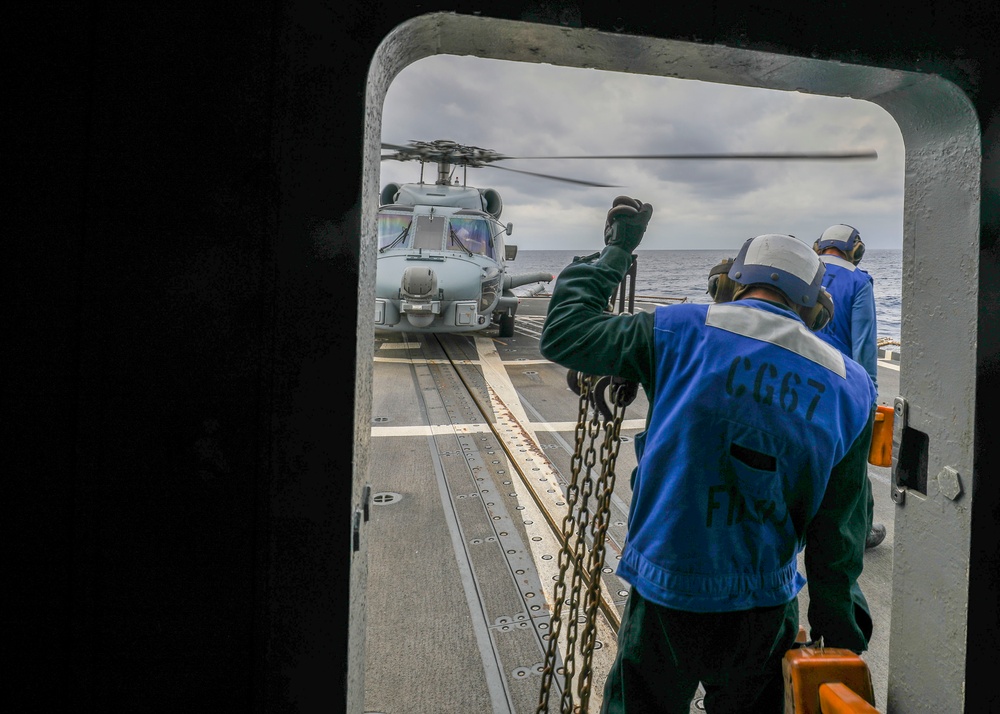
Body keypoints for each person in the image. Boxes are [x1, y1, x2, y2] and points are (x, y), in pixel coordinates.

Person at [540, 197, 876, 714]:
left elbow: (566, 332)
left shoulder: (678, 331)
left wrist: (616, 251)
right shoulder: (852, 387)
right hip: (766, 606)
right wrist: (839, 631)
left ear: (730, 284)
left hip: (666, 595)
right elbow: (840, 531)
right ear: (816, 308)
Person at [813, 224, 886, 549]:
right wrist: (869, 395)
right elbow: (865, 346)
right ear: (854, 249)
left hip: (803, 380)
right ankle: (864, 530)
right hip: (843, 385)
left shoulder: (806, 276)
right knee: (851, 465)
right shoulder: (859, 282)